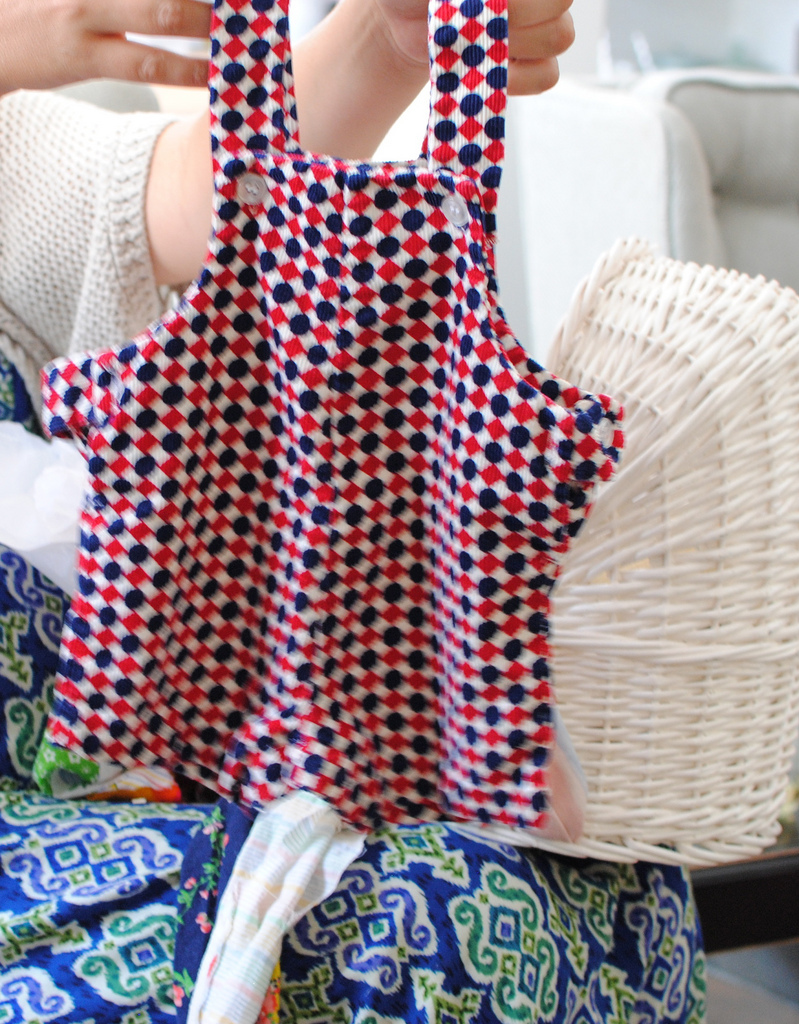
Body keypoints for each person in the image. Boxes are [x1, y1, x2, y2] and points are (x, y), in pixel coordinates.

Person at [0, 2, 706, 1022]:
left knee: (594, 890)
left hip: (168, 759)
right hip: (116, 800)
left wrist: (388, 33)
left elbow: (209, 198)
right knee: (406, 927)